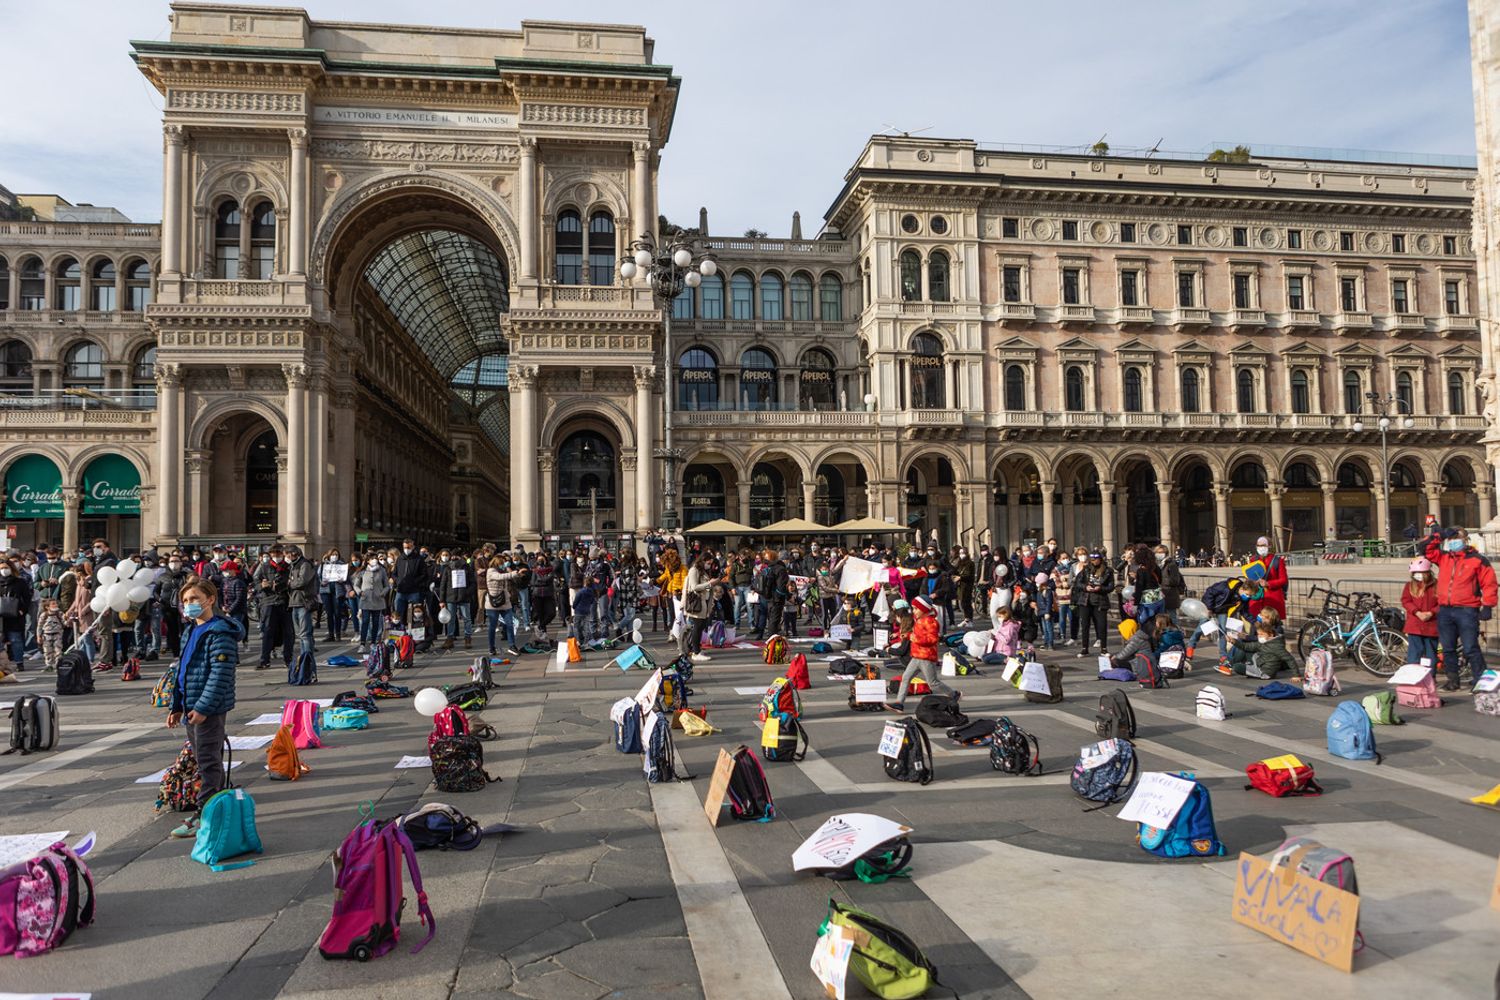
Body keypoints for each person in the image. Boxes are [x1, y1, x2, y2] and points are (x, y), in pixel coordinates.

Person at [165, 577, 241, 839]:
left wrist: (204, 707)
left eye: (195, 599)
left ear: (210, 600)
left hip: (208, 707)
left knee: (208, 761)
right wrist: (176, 705)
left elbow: (220, 674)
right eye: (185, 600)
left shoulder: (219, 631)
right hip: (191, 705)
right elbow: (183, 670)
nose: (189, 604)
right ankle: (219, 803)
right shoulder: (191, 630)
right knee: (204, 758)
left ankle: (205, 813)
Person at [1424, 526, 1498, 690]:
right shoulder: (1444, 557)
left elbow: (1490, 584)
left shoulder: (1478, 559)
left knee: (1471, 647)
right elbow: (1425, 549)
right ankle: (1453, 680)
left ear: (1466, 540)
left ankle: (1480, 680)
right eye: (1452, 538)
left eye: (1458, 537)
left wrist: (1487, 605)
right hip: (1445, 609)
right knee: (1448, 648)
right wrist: (1440, 535)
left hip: (1466, 609)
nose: (1454, 541)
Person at [886, 596, 958, 712]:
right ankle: (899, 703)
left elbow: (932, 639)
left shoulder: (931, 622)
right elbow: (915, 634)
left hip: (926, 657)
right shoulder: (919, 619)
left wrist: (914, 639)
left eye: (915, 608)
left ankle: (954, 694)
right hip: (916, 656)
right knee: (906, 678)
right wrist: (907, 636)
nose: (913, 611)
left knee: (933, 683)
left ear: (923, 609)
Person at [1223, 608, 1297, 678]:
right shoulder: (1261, 625)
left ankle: (1230, 663)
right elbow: (1255, 638)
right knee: (1242, 644)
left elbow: (1289, 658)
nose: (1261, 617)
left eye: (1263, 617)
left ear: (1270, 619)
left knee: (1242, 653)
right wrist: (1235, 640)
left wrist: (1296, 675)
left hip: (1269, 661)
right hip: (1261, 653)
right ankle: (1229, 663)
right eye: (1261, 615)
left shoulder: (1277, 630)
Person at [252, 545, 293, 671]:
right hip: (268, 601)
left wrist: (287, 584)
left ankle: (288, 659)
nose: (276, 557)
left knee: (288, 632)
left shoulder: (288, 567)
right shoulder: (264, 566)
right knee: (268, 631)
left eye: (279, 554)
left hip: (285, 601)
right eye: (274, 554)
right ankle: (265, 659)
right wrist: (261, 585)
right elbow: (255, 580)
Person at [1401, 557, 1439, 666]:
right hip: (1415, 626)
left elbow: (1442, 603)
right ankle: (1413, 677)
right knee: (1414, 654)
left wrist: (1431, 613)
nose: (1418, 575)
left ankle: (1430, 676)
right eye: (1415, 573)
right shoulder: (1409, 586)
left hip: (1431, 625)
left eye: (1420, 572)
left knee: (1430, 654)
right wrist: (1417, 612)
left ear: (1428, 572)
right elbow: (1406, 601)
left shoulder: (1437, 585)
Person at [680, 552, 717, 662]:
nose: (709, 565)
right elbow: (694, 587)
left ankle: (697, 649)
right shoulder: (694, 570)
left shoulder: (702, 571)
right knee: (697, 627)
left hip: (702, 603)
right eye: (708, 563)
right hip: (696, 604)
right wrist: (710, 583)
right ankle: (695, 652)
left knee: (700, 627)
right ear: (703, 561)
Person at [0, 556, 35, 671]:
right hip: (1, 616)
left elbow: (27, 597)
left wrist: (22, 610)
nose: (4, 570)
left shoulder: (20, 582)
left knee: (16, 639)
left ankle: (19, 662)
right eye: (1, 568)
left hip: (15, 616)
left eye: (6, 567)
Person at [1076, 551, 1114, 657]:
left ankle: (1104, 648)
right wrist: (1085, 587)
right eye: (1092, 559)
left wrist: (1100, 588)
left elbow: (1111, 587)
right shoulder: (1086, 569)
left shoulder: (1107, 571)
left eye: (1096, 559)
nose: (1094, 561)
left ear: (1100, 559)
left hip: (1100, 601)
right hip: (1086, 600)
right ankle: (1084, 648)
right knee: (1085, 625)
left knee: (1101, 625)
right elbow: (1078, 582)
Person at [285, 546, 319, 661]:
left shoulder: (305, 564)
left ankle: (307, 659)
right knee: (300, 634)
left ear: (294, 553)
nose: (287, 557)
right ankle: (303, 657)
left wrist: (290, 583)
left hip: (304, 601)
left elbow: (302, 582)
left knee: (305, 634)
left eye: (288, 554)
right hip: (294, 601)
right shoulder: (292, 565)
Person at [438, 548, 475, 651]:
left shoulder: (466, 567)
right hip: (451, 597)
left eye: (456, 556)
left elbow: (473, 583)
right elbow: (443, 585)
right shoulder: (447, 568)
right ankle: (450, 638)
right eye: (452, 556)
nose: (454, 558)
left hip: (464, 597)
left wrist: (467, 592)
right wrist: (442, 600)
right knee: (451, 619)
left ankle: (468, 638)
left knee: (467, 618)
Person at [352, 551, 389, 655]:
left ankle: (373, 642)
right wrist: (360, 592)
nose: (374, 560)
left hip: (378, 599)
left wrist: (383, 592)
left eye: (375, 558)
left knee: (376, 622)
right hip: (366, 600)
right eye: (372, 559)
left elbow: (387, 585)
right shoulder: (362, 571)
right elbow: (356, 585)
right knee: (365, 621)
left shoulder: (382, 570)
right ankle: (362, 644)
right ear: (367, 561)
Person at [1246, 535, 1288, 621]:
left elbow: (1283, 579)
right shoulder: (1253, 560)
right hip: (1257, 598)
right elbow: (1249, 577)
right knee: (1256, 623)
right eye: (1258, 545)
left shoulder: (1278, 561)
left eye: (1263, 545)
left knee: (1272, 623)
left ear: (1269, 546)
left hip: (1273, 598)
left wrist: (1268, 583)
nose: (1260, 547)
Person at [392, 538, 430, 629]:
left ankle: (415, 631)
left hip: (414, 591)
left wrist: (415, 582)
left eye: (408, 547)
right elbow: (394, 573)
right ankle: (399, 630)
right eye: (405, 547)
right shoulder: (400, 558)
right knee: (398, 612)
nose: (406, 549)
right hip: (401, 590)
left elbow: (424, 574)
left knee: (416, 613)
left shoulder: (419, 559)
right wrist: (398, 581)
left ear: (413, 547)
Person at [320, 548, 348, 642]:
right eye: (333, 554)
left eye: (336, 554)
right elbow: (318, 575)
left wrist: (342, 580)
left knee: (337, 613)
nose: (334, 556)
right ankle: (330, 634)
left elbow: (346, 578)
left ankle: (338, 634)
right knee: (329, 613)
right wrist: (322, 582)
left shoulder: (341, 565)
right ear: (329, 555)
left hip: (337, 591)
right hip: (326, 591)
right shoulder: (324, 564)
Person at [220, 560, 248, 646]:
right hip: (226, 609)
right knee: (228, 630)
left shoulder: (238, 582)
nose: (225, 572)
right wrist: (222, 606)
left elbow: (239, 599)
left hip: (237, 611)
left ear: (233, 570)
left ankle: (233, 648)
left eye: (227, 570)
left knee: (233, 631)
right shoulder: (224, 581)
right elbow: (221, 594)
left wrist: (230, 610)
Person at [1155, 544, 1185, 615]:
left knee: (1172, 618)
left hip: (1170, 596)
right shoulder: (1156, 564)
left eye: (1161, 552)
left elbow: (1175, 580)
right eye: (1157, 552)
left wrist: (1159, 580)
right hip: (1159, 595)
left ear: (1166, 553)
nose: (1159, 554)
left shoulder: (1171, 564)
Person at [36, 597, 64, 672]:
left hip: (57, 634)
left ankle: (58, 665)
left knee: (58, 650)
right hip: (46, 635)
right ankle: (49, 665)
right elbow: (39, 626)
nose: (55, 605)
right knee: (47, 651)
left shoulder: (59, 614)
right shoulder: (44, 615)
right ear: (47, 607)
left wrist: (67, 620)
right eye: (53, 604)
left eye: (55, 603)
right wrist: (38, 636)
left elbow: (64, 622)